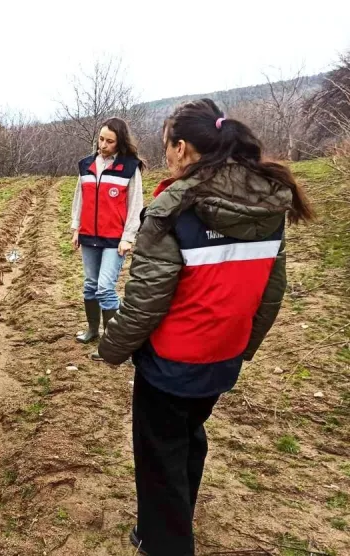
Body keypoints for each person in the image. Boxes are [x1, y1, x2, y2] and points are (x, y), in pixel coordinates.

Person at [99, 99, 314, 556]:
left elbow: (145, 299)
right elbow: (271, 292)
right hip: (222, 357)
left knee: (159, 458)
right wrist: (243, 346)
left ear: (183, 147)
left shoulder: (174, 206)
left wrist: (111, 347)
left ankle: (165, 543)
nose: (166, 156)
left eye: (167, 146)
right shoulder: (266, 200)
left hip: (171, 362)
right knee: (189, 438)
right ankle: (157, 529)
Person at [70, 118, 144, 360]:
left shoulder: (129, 167)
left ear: (119, 142)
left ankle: (114, 341)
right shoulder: (86, 165)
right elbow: (79, 199)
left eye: (110, 141)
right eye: (101, 139)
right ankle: (93, 330)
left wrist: (128, 237)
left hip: (115, 239)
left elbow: (136, 205)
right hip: (89, 236)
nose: (103, 145)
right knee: (90, 285)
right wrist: (75, 228)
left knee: (105, 288)